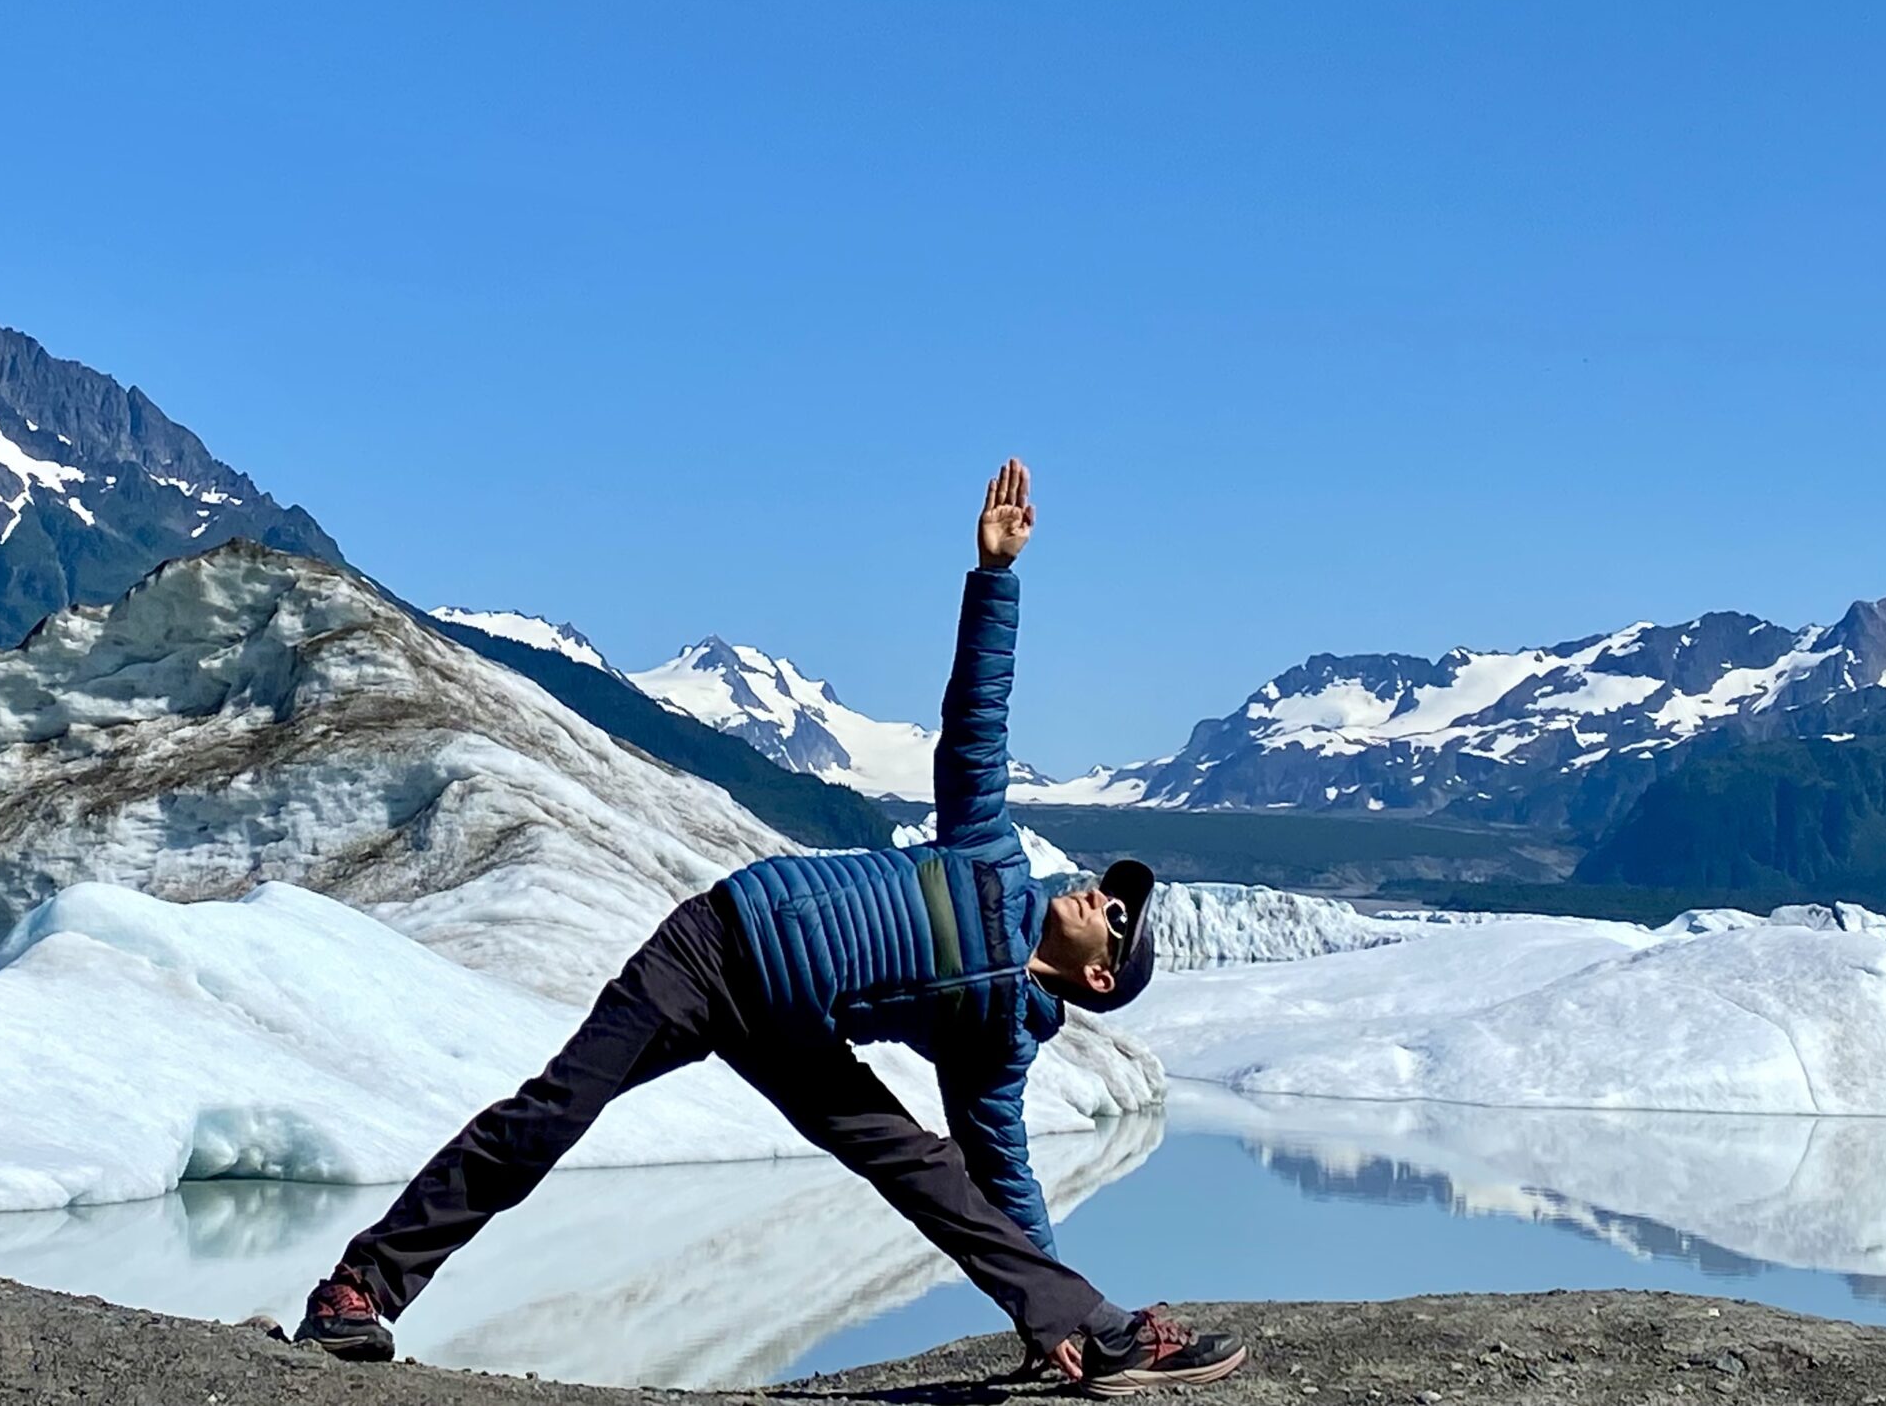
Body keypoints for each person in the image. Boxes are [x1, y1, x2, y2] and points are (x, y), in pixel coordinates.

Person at [294, 460, 1247, 1393]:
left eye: (1116, 917)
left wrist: (1046, 1303)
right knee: (554, 1111)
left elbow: (1004, 1179)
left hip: (798, 1032)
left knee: (938, 1177)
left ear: (1099, 979)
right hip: (718, 945)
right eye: (1109, 889)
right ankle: (357, 1289)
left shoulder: (1000, 1041)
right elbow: (976, 725)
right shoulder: (993, 859)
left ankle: (1095, 1331)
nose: (1097, 895)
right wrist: (995, 577)